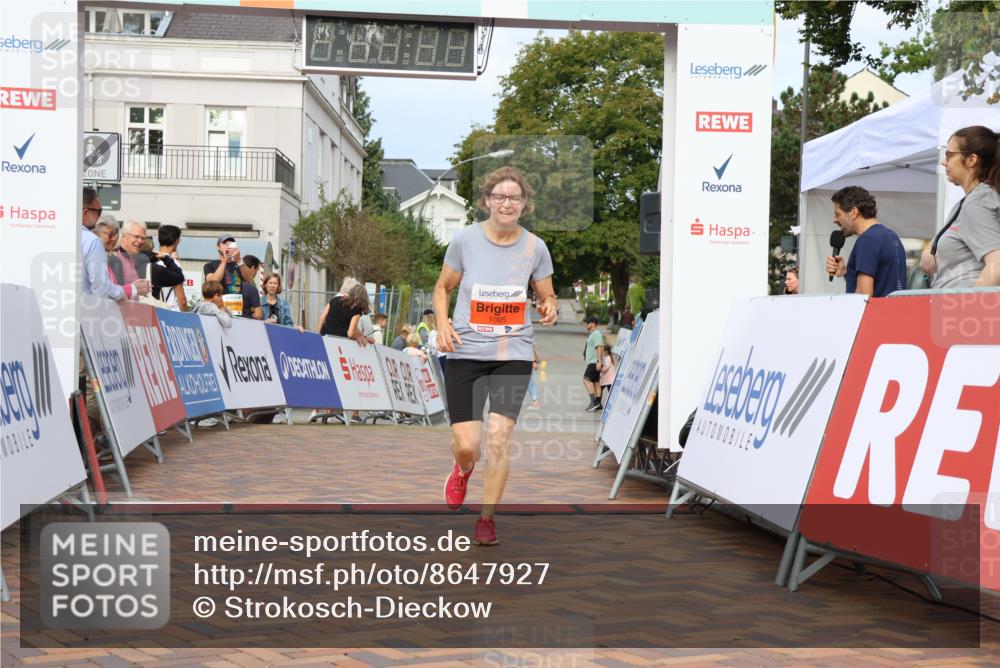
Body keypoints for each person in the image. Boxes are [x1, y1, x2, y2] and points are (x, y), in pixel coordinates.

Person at [435, 165, 558, 546]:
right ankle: (462, 468)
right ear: (487, 201)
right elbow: (443, 288)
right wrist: (442, 324)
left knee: (499, 437)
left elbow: (546, 294)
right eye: (500, 196)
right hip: (466, 350)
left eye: (514, 198)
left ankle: (486, 518)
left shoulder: (535, 247)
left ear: (524, 204)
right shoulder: (464, 241)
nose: (507, 203)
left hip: (513, 351)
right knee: (468, 444)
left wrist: (550, 306)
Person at [920, 125, 1000, 288]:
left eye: (949, 155)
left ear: (971, 160)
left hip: (962, 301)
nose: (944, 162)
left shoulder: (977, 202)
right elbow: (928, 263)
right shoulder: (971, 201)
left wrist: (973, 302)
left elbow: (997, 264)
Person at [825, 186, 906, 297]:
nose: (835, 220)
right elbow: (884, 282)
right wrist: (846, 273)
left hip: (874, 309)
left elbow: (863, 295)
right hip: (894, 307)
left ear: (853, 212)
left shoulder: (867, 240)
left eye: (838, 214)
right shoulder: (892, 236)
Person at [154, 225, 188, 310]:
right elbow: (182, 301)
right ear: (176, 241)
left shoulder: (151, 260)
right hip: (172, 312)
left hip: (154, 311)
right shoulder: (174, 264)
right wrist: (185, 313)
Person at [582, 315, 604, 412]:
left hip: (594, 362)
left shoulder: (596, 333)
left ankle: (593, 402)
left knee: (586, 379)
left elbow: (599, 347)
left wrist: (599, 361)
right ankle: (598, 404)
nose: (586, 325)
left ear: (593, 324)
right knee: (595, 382)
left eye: (588, 323)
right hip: (594, 361)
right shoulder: (593, 334)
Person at [237, 255, 263, 319]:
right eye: (257, 271)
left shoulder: (229, 284)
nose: (255, 275)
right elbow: (258, 315)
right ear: (253, 267)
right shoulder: (251, 288)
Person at [598, 336, 616, 403]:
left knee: (600, 390)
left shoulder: (608, 358)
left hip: (608, 379)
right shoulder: (607, 357)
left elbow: (605, 368)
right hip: (608, 379)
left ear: (607, 351)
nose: (603, 352)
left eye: (603, 351)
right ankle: (608, 403)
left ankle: (599, 403)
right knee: (608, 392)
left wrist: (600, 369)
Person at [526, 345, 541, 410]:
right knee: (530, 384)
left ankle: (535, 403)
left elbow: (532, 350)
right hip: (524, 363)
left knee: (530, 384)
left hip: (526, 364)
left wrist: (534, 362)